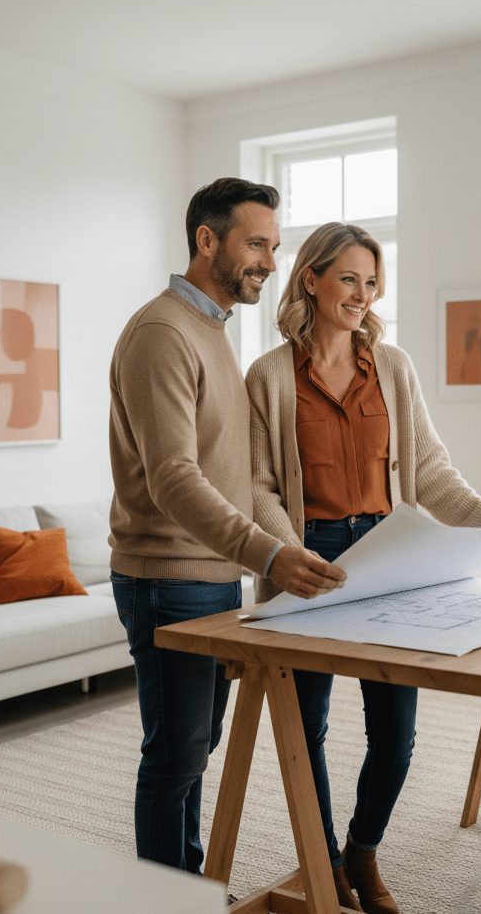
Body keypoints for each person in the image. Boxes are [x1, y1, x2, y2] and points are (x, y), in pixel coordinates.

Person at [246, 221, 481, 914]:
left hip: (388, 550)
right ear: (312, 279)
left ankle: (363, 849)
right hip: (309, 555)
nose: (362, 294)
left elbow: (431, 471)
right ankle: (322, 867)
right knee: (307, 728)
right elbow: (257, 484)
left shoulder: (394, 366)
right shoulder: (266, 376)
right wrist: (286, 550)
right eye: (348, 278)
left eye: (371, 282)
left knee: (397, 732)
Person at [108, 178, 347, 874]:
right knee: (175, 755)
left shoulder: (211, 332)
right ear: (206, 240)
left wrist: (277, 549)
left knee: (195, 748)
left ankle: (183, 882)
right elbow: (174, 480)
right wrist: (268, 555)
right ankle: (167, 895)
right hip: (166, 577)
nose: (270, 262)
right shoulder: (162, 333)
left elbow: (235, 476)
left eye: (274, 246)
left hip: (211, 576)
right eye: (256, 243)